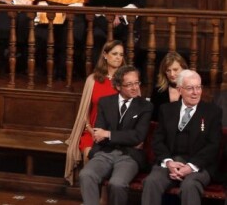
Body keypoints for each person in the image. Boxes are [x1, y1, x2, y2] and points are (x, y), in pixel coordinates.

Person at [141, 69, 222, 205]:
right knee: (151, 182)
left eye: (198, 87)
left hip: (199, 165)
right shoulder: (167, 110)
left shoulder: (213, 112)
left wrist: (190, 166)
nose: (196, 92)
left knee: (189, 186)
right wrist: (168, 162)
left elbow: (213, 146)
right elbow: (158, 140)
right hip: (171, 162)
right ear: (180, 90)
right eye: (190, 88)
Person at [79, 65, 153, 205]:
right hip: (104, 152)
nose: (135, 87)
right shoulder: (105, 102)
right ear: (118, 86)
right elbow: (98, 133)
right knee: (86, 174)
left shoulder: (145, 106)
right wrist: (124, 137)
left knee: (117, 183)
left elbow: (138, 136)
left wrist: (108, 134)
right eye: (129, 84)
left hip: (129, 156)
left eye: (136, 83)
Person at [64, 40, 126, 184]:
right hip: (92, 130)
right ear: (105, 55)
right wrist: (90, 130)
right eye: (114, 54)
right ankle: (93, 195)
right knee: (89, 153)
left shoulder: (127, 81)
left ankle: (104, 196)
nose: (118, 57)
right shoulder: (92, 80)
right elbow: (85, 111)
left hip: (117, 133)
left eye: (121, 55)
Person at [150, 51, 188, 121]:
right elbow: (153, 119)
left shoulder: (191, 90)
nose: (172, 74)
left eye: (175, 70)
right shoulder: (158, 91)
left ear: (183, 68)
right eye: (168, 70)